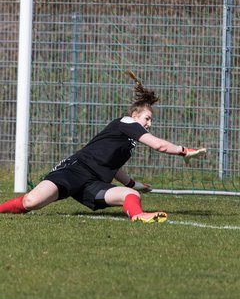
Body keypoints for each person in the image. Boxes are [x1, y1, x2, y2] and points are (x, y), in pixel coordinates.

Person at [0, 71, 206, 223]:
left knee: (131, 196)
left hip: (93, 184)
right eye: (147, 118)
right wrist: (184, 151)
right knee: (31, 202)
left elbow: (112, 167)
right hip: (74, 170)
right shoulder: (126, 122)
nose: (149, 124)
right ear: (135, 116)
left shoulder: (128, 142)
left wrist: (134, 185)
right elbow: (159, 146)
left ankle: (138, 216)